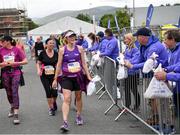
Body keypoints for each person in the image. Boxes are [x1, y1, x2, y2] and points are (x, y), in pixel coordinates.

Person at [125, 27, 168, 125]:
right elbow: (140, 59)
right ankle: (156, 118)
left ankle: (163, 122)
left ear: (144, 37)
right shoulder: (143, 46)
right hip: (151, 76)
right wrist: (129, 62)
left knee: (158, 99)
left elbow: (148, 63)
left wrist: (132, 66)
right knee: (152, 98)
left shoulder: (154, 47)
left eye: (137, 36)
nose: (136, 38)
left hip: (159, 76)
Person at [52, 30, 92, 132]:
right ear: (66, 38)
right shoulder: (62, 50)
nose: (72, 38)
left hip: (78, 77)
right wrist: (55, 79)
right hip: (66, 77)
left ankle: (78, 116)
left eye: (73, 36)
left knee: (78, 97)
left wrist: (88, 75)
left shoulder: (79, 48)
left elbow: (83, 63)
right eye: (70, 37)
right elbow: (59, 65)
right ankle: (65, 122)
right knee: (67, 98)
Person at [0, 35, 28, 124]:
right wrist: (3, 64)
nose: (1, 43)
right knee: (8, 92)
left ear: (8, 41)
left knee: (14, 91)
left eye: (2, 41)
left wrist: (16, 63)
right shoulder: (0, 50)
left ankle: (16, 113)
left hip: (16, 72)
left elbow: (25, 61)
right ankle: (12, 106)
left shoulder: (16, 49)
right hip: (5, 72)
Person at [155, 29, 180, 116]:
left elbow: (178, 66)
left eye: (165, 39)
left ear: (172, 39)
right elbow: (167, 63)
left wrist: (167, 74)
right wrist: (156, 62)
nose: (164, 41)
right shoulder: (170, 50)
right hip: (175, 86)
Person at [36, 38, 58, 116]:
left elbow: (58, 65)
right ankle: (51, 108)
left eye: (53, 43)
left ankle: (54, 102)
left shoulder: (56, 53)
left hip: (54, 75)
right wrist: (38, 70)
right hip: (44, 75)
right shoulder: (42, 53)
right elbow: (38, 63)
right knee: (48, 91)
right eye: (50, 43)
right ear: (46, 44)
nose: (52, 44)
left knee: (55, 93)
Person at [123, 33, 140, 111]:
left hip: (133, 72)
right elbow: (126, 57)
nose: (124, 40)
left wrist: (125, 61)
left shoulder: (135, 49)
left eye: (126, 39)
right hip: (127, 72)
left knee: (133, 89)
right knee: (126, 89)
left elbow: (135, 60)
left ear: (130, 39)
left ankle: (137, 105)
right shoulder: (127, 48)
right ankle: (127, 105)